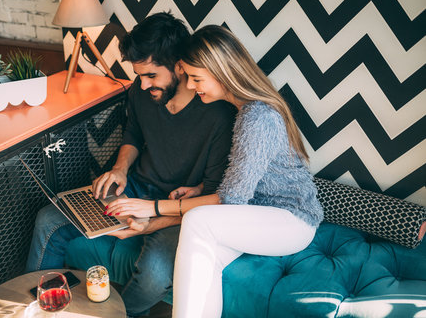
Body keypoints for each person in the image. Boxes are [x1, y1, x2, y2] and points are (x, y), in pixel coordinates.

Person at [105, 25, 324, 317]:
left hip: (289, 220)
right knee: (203, 263)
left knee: (198, 221)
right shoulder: (243, 111)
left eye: (197, 79)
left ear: (222, 72)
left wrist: (153, 208)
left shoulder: (257, 117)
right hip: (251, 214)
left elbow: (231, 200)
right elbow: (243, 180)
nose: (192, 87)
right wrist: (197, 191)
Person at [26, 14, 236, 317]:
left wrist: (149, 222)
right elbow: (134, 134)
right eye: (139, 75)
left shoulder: (218, 114)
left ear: (179, 65)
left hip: (182, 207)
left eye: (151, 75)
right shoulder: (141, 91)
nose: (143, 83)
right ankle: (38, 308)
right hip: (137, 186)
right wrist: (120, 170)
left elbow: (213, 200)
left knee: (154, 271)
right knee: (49, 219)